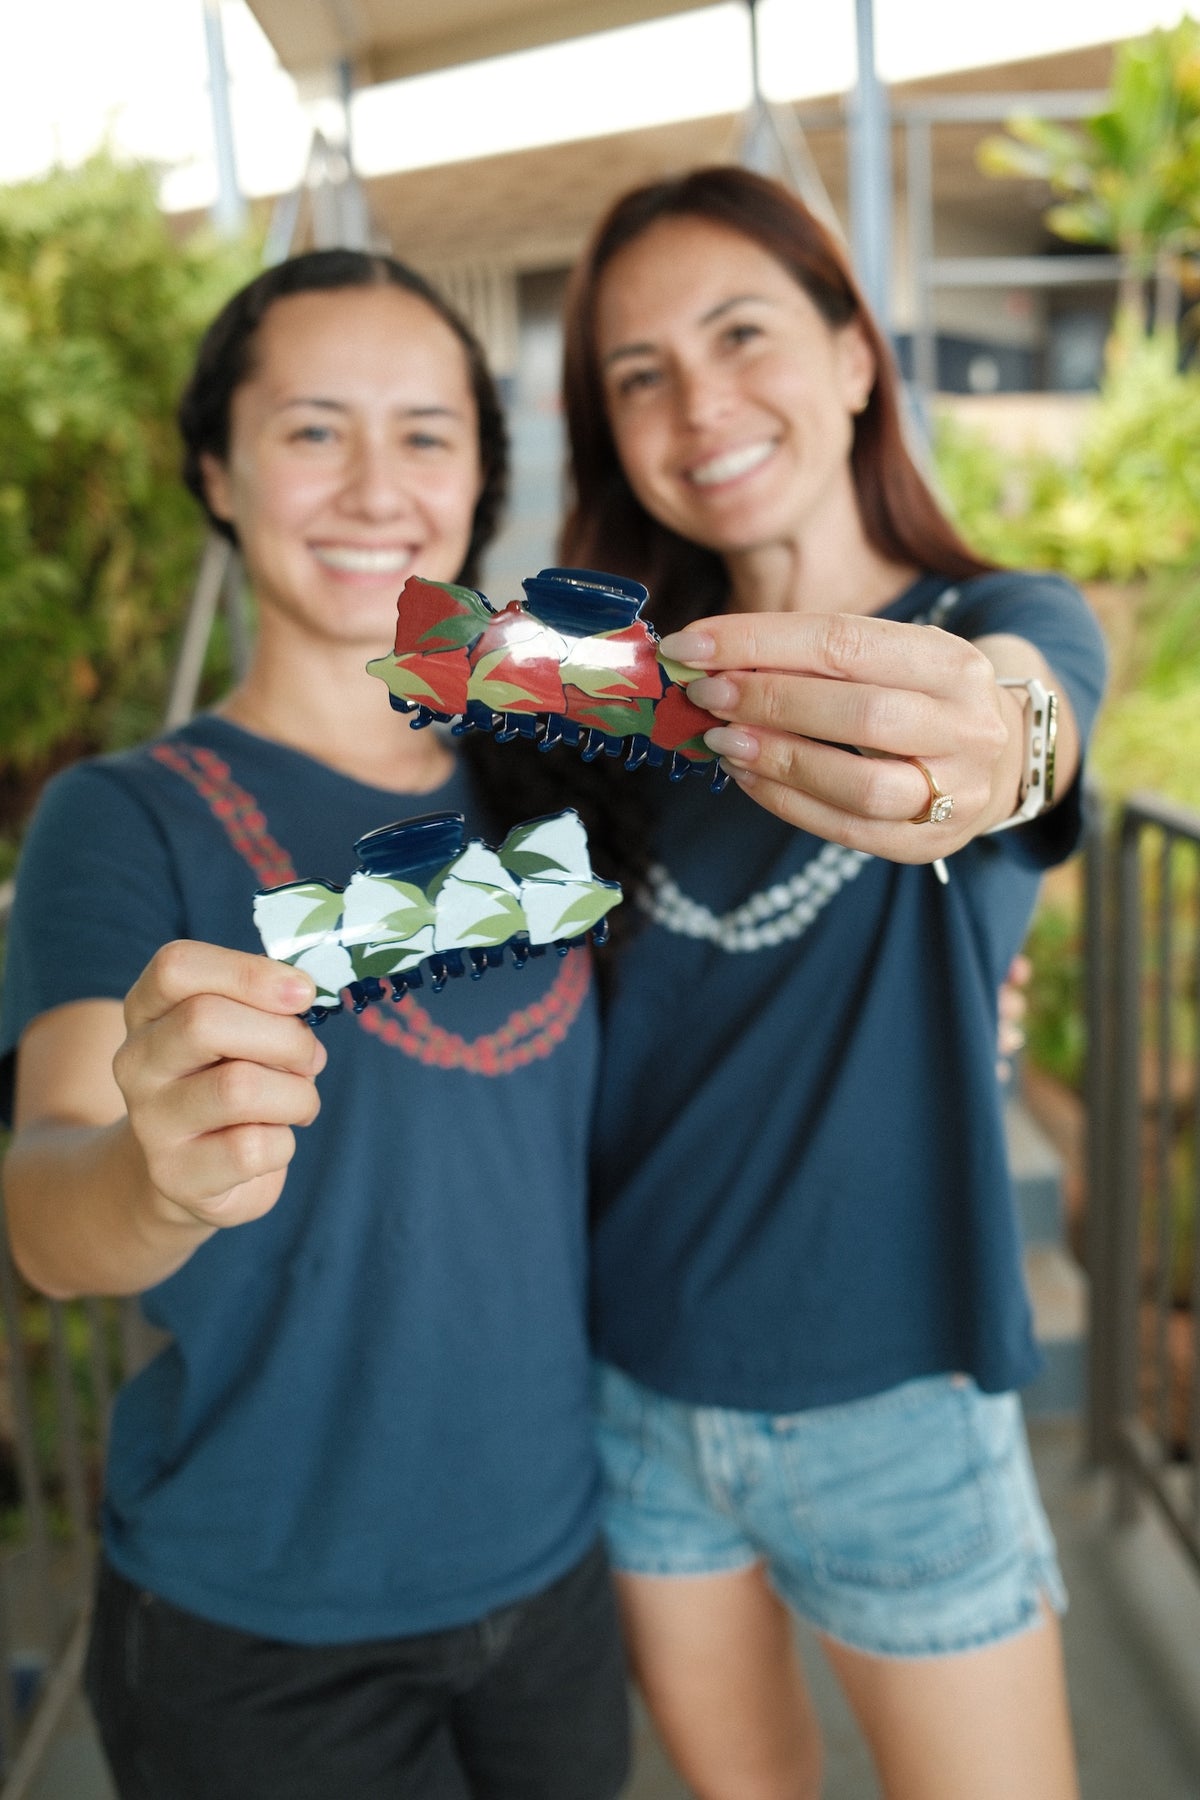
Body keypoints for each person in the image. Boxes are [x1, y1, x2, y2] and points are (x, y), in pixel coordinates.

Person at [0, 250, 630, 1800]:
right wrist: (150, 1180)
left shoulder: (549, 768)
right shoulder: (125, 817)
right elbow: (47, 1203)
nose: (374, 487)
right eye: (311, 429)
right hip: (258, 1625)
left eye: (425, 433)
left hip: (555, 1570)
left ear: (479, 478)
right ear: (217, 471)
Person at [559, 167, 1107, 1800]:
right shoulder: (610, 704)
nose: (698, 403)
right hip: (633, 1388)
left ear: (858, 355)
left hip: (898, 1405)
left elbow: (1028, 719)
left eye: (743, 333)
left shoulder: (992, 622)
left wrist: (994, 748)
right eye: (640, 373)